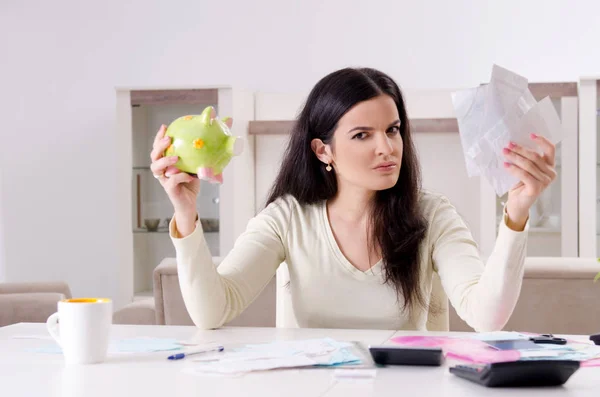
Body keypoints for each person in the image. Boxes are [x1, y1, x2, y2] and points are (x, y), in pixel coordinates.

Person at [149, 67, 556, 332]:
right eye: (363, 135)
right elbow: (212, 311)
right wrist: (185, 211)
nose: (386, 147)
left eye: (393, 130)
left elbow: (487, 316)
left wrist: (517, 212)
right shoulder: (288, 218)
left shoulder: (431, 215)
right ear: (323, 151)